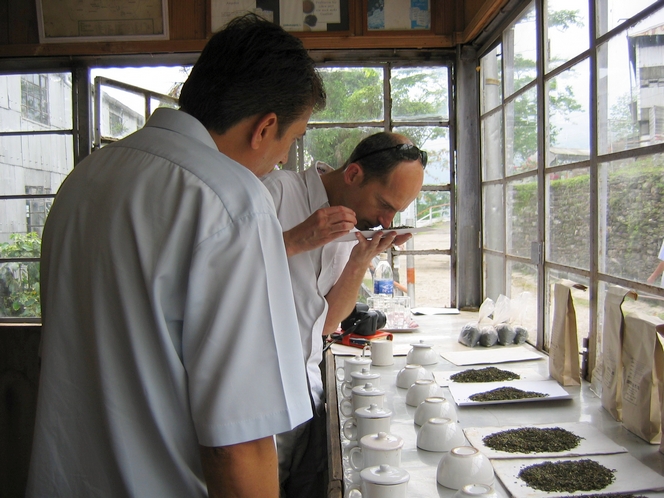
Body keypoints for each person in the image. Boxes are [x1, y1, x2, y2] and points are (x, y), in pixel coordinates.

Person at [26, 14, 325, 498]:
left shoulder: (84, 179)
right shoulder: (233, 202)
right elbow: (240, 442)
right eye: (290, 142)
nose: (282, 161)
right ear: (265, 127)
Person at [262, 131, 426, 497]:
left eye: (396, 213)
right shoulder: (274, 192)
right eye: (384, 204)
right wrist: (295, 239)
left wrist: (361, 258)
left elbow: (330, 323)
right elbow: (220, 270)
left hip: (304, 388)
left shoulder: (353, 224)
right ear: (353, 175)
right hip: (257, 396)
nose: (386, 220)